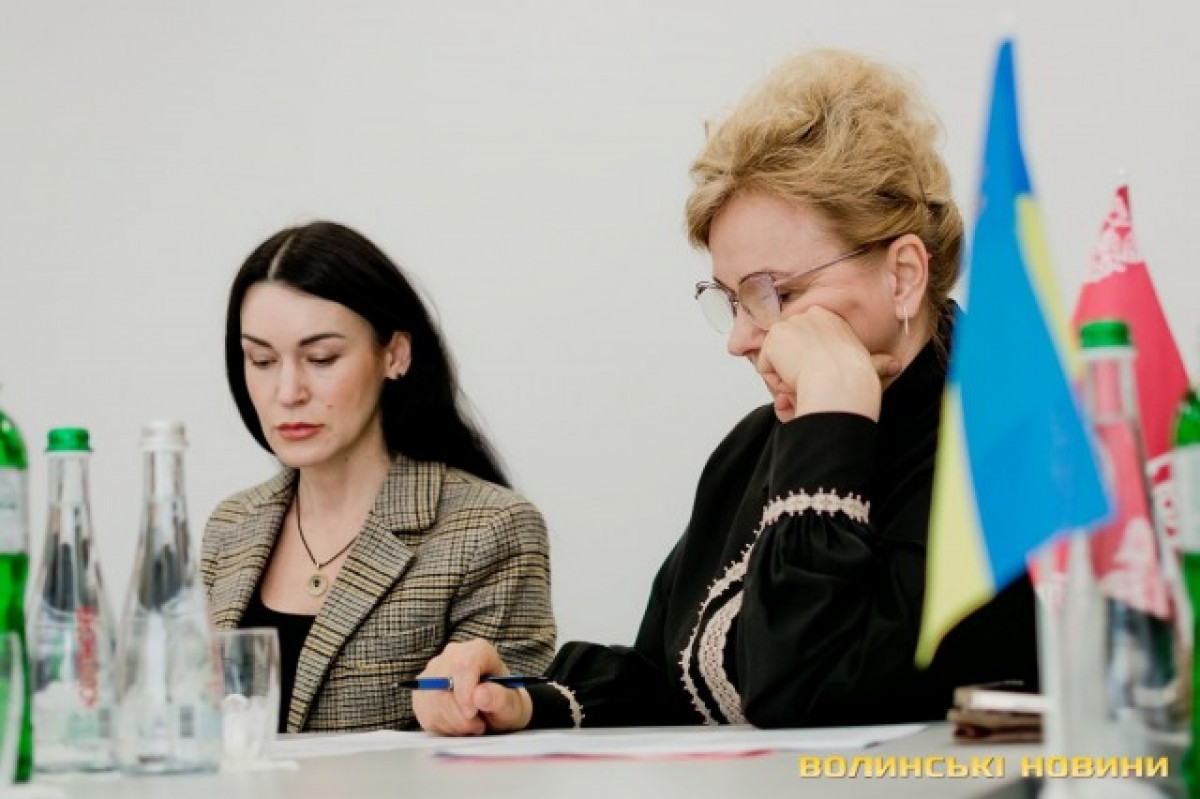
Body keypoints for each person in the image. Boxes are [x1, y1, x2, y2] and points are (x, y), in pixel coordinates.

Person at [413, 49, 1038, 735]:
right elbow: (671, 678)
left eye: (778, 294)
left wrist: (833, 420)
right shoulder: (754, 446)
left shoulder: (1011, 446)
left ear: (904, 276)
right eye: (732, 299)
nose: (741, 339)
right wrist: (521, 699)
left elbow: (808, 690)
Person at [201, 221, 555, 733]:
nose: (288, 391)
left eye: (321, 358)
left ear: (394, 354)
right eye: (262, 360)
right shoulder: (231, 526)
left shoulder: (490, 529)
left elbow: (500, 739)